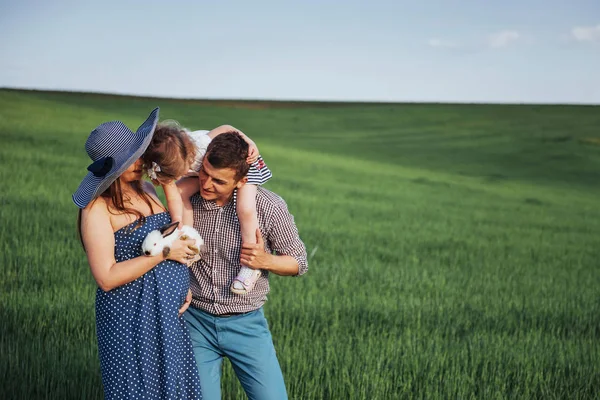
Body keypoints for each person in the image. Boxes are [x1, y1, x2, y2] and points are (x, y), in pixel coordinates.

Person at [72, 108, 202, 400]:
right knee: (138, 389)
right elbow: (106, 277)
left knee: (175, 388)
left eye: (138, 152)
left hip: (167, 313)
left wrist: (183, 282)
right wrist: (164, 255)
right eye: (132, 158)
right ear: (115, 167)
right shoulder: (96, 210)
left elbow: (173, 231)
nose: (141, 161)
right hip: (130, 316)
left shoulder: (146, 189)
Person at [182, 131, 308, 400]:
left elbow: (299, 262)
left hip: (246, 324)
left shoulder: (269, 207)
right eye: (204, 173)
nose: (206, 183)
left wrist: (266, 261)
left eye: (219, 180)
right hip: (195, 322)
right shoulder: (188, 200)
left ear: (242, 181)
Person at [141, 121, 272, 294]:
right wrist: (177, 221)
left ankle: (249, 265)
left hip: (244, 162)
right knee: (181, 192)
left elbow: (226, 128)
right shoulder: (166, 163)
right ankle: (190, 241)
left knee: (245, 208)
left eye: (181, 172)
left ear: (189, 156)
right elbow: (173, 195)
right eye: (176, 175)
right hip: (211, 170)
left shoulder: (201, 143)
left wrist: (249, 142)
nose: (180, 177)